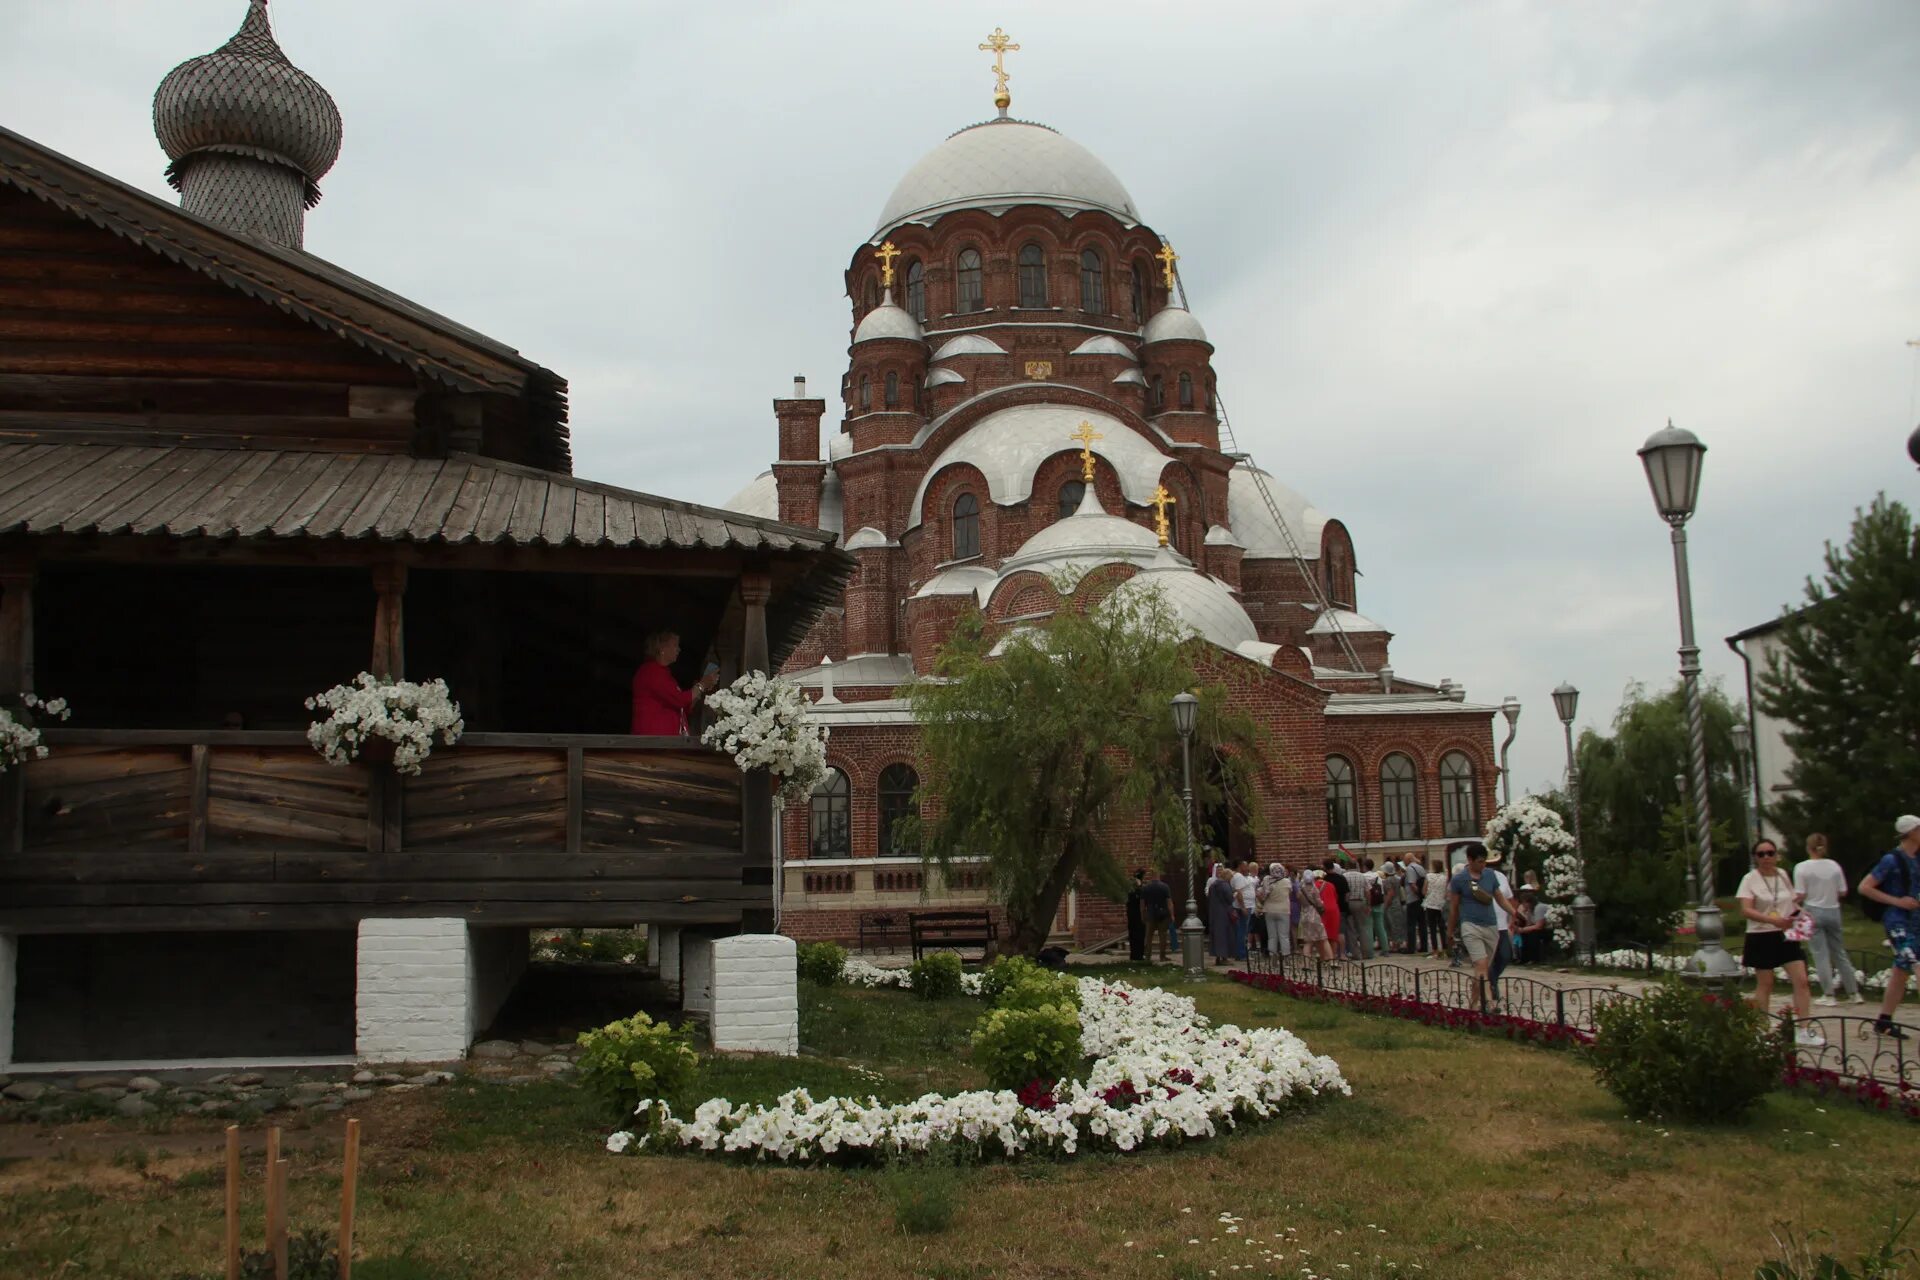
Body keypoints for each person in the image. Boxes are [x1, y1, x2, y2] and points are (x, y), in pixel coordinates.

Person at [1739, 838, 1821, 1046]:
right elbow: (1746, 909)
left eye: (1770, 853)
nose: (1766, 857)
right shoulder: (1750, 879)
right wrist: (1771, 919)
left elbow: (1792, 901)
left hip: (1785, 933)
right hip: (1761, 934)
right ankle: (1761, 1028)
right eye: (1761, 854)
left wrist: (1798, 916)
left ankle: (1803, 1029)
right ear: (1755, 857)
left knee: (1801, 980)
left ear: (1777, 855)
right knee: (1766, 983)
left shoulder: (1783, 875)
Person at [1860, 815, 1920, 1040]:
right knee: (1916, 963)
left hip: (1916, 919)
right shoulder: (1891, 860)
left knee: (1901, 971)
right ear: (1911, 832)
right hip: (1898, 922)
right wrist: (1897, 901)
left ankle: (1884, 1020)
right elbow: (1865, 887)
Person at [1447, 843, 1519, 1012]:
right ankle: (1490, 1003)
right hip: (1470, 926)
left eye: (1484, 862)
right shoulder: (1459, 879)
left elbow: (1500, 898)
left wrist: (1514, 912)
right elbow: (1454, 907)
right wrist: (1450, 930)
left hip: (1491, 926)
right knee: (1481, 964)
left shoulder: (1490, 876)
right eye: (1479, 862)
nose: (1482, 865)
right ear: (1470, 860)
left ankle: (1472, 1006)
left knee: (1483, 969)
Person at [1793, 833, 1863, 1006]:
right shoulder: (1834, 866)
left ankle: (1829, 994)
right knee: (1840, 952)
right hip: (1833, 910)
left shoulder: (1802, 867)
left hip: (1812, 910)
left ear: (1808, 847)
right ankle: (1854, 993)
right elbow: (1843, 891)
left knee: (1820, 954)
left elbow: (1800, 894)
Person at [630, 630, 718, 735]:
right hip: (654, 740)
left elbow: (683, 706)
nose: (679, 649)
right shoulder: (652, 671)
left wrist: (702, 687)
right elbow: (679, 700)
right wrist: (701, 685)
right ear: (662, 648)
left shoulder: (664, 673)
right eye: (675, 645)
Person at [1341, 858, 1373, 960]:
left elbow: (1344, 893)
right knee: (1362, 927)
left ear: (1347, 866)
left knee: (1351, 929)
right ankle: (1367, 953)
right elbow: (1367, 891)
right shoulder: (1362, 876)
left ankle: (1355, 953)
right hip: (1360, 901)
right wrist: (1368, 904)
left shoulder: (1344, 876)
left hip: (1349, 902)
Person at [1297, 870, 1333, 960]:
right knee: (1323, 938)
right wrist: (1322, 903)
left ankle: (1307, 963)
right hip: (1314, 914)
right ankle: (1331, 960)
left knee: (1308, 942)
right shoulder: (1314, 889)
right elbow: (1319, 904)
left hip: (1304, 915)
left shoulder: (1300, 890)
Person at [1140, 868, 1174, 963]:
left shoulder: (1146, 888)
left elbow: (1142, 904)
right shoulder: (1165, 887)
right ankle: (1162, 956)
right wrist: (1172, 915)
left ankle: (1147, 956)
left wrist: (1143, 914)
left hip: (1150, 914)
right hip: (1163, 915)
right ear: (1159, 875)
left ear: (1151, 875)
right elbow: (1169, 902)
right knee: (1162, 936)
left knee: (1149, 937)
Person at [1207, 864, 1237, 965]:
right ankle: (1224, 958)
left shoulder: (1213, 885)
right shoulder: (1225, 885)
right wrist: (1234, 895)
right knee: (1224, 935)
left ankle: (1217, 957)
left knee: (1216, 935)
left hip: (1214, 913)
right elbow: (1229, 899)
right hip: (1224, 913)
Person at [1261, 862, 1292, 959]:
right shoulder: (1287, 881)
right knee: (1284, 935)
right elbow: (1290, 893)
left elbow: (1264, 895)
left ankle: (1272, 955)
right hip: (1283, 910)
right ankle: (1285, 955)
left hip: (1269, 910)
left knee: (1272, 936)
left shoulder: (1266, 880)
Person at [1422, 857, 1450, 960]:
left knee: (1432, 928)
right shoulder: (1445, 877)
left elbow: (1424, 891)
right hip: (1441, 904)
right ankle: (1445, 950)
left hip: (1430, 904)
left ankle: (1435, 951)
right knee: (1442, 928)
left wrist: (1429, 894)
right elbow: (1447, 891)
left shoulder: (1429, 876)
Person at [1401, 856, 1428, 954]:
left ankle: (1411, 948)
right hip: (1421, 900)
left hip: (1413, 900)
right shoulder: (1420, 867)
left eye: (1404, 861)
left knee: (1411, 924)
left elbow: (1412, 884)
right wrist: (1422, 896)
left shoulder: (1410, 869)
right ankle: (1424, 946)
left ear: (1408, 860)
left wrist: (1418, 894)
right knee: (1422, 924)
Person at [1317, 866, 1344, 962]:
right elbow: (1335, 897)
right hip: (1334, 910)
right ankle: (1333, 955)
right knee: (1333, 934)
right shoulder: (1331, 885)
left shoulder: (1314, 885)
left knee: (1323, 936)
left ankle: (1324, 957)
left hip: (1322, 911)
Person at [1125, 869, 1148, 963]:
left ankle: (1134, 954)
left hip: (1131, 915)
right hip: (1138, 915)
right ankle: (1139, 955)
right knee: (1140, 935)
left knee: (1133, 935)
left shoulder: (1130, 888)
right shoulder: (1140, 889)